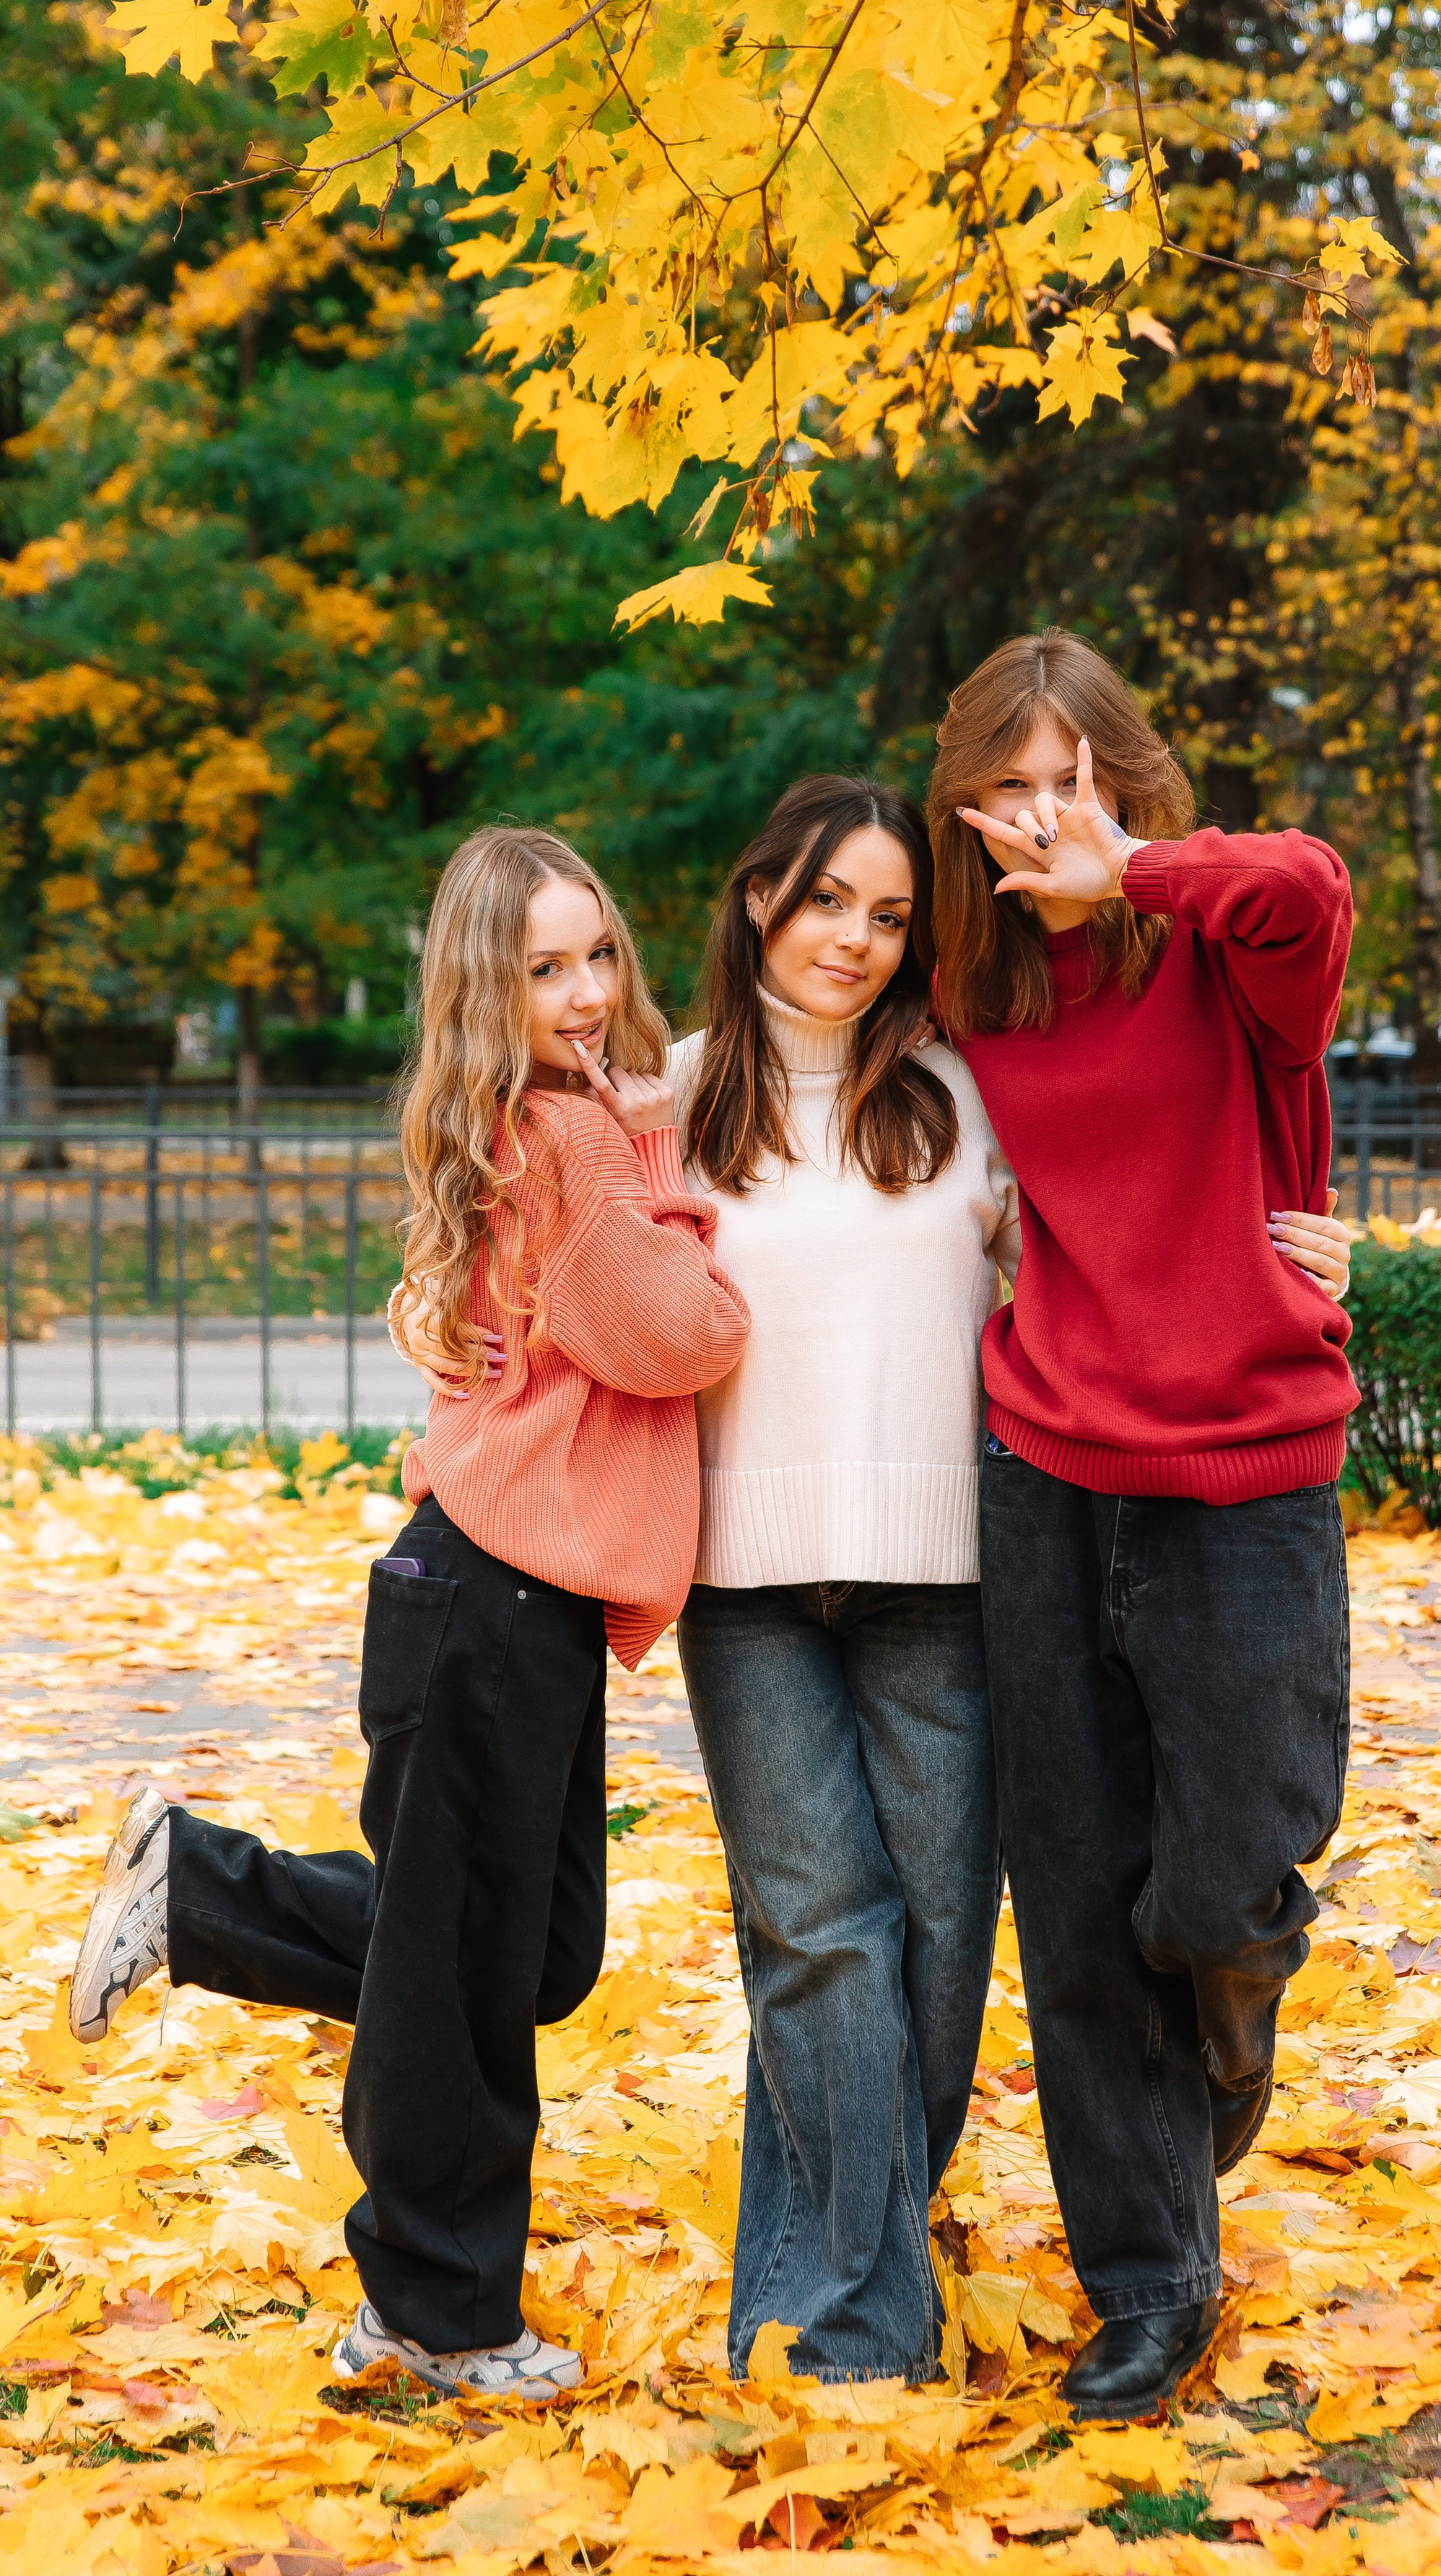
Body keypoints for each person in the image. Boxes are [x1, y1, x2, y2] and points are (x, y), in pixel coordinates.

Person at [407, 780, 1349, 2388]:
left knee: (929, 1946)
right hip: (747, 1585)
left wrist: (1320, 1251)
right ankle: (855, 2334)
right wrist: (424, 1313)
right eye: (825, 900)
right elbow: (516, 1230)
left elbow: (1130, 1226)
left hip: (948, 1577)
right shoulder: (667, 1096)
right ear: (759, 898)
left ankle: (820, 2288)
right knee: (816, 1940)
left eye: (890, 914)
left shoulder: (963, 1091)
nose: (853, 939)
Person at [66, 827, 749, 2401]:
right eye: (543, 969)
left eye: (596, 957)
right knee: (462, 1980)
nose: (583, 993)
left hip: (498, 1601)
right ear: (483, 989)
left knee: (528, 1957)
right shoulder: (575, 1142)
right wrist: (689, 1210)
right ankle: (435, 2316)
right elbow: (686, 1334)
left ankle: (199, 1885)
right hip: (491, 1607)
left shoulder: (536, 1121)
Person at [928, 630, 1357, 2422]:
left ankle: (1244, 1973)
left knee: (1218, 1873)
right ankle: (1147, 2283)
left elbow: (1312, 884)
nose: (1043, 814)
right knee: (1081, 1895)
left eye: (1071, 777)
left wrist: (1135, 872)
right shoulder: (965, 991)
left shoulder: (1225, 947)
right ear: (964, 806)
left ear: (1125, 777)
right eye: (1008, 785)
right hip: (1042, 1465)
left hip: (1246, 1471)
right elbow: (784, 1033)